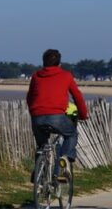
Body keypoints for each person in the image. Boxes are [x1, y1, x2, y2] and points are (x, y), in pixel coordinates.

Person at [26, 49, 88, 180]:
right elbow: (77, 96)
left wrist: (34, 113)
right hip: (57, 117)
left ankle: (38, 173)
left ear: (44, 63)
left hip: (37, 117)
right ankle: (65, 157)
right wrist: (83, 114)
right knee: (71, 134)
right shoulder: (66, 75)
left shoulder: (36, 76)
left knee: (41, 146)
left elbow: (30, 97)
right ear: (59, 63)